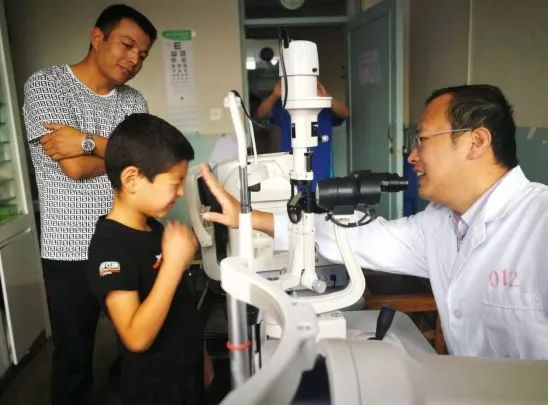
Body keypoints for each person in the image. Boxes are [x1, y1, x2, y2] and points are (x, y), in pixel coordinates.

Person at [199, 84, 548, 360]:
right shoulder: (439, 224)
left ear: (476, 142)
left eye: (422, 140)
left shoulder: (540, 222)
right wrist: (251, 218)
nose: (412, 156)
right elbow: (354, 238)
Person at [22, 5, 157, 403]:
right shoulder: (47, 85)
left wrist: (86, 141)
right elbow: (76, 169)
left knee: (141, 345)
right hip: (69, 248)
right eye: (127, 45)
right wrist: (125, 157)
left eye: (142, 54)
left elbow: (148, 161)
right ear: (98, 37)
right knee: (73, 358)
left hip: (128, 241)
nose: (134, 60)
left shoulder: (134, 101)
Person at [86, 113, 213, 404]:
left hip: (186, 371)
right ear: (132, 179)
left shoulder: (153, 228)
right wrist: (173, 264)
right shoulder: (110, 247)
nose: (181, 193)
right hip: (155, 389)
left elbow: (180, 303)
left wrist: (201, 355)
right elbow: (135, 337)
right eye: (175, 183)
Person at [256, 80, 349, 187]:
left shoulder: (324, 106)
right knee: (294, 192)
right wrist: (274, 96)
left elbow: (345, 113)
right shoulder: (286, 106)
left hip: (320, 169)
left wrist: (327, 97)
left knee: (320, 192)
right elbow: (261, 114)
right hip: (292, 167)